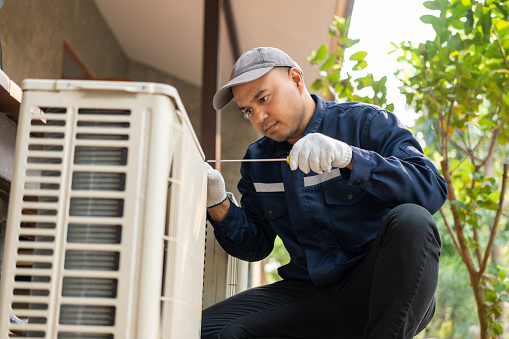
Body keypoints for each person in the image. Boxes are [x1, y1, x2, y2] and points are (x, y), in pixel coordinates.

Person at [202, 47, 447, 339]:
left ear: (296, 79)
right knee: (207, 331)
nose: (260, 117)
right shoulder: (257, 161)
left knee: (413, 220)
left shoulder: (365, 123)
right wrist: (217, 202)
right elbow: (257, 245)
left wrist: (350, 157)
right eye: (248, 111)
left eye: (263, 98)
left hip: (375, 291)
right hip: (308, 293)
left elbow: (431, 188)